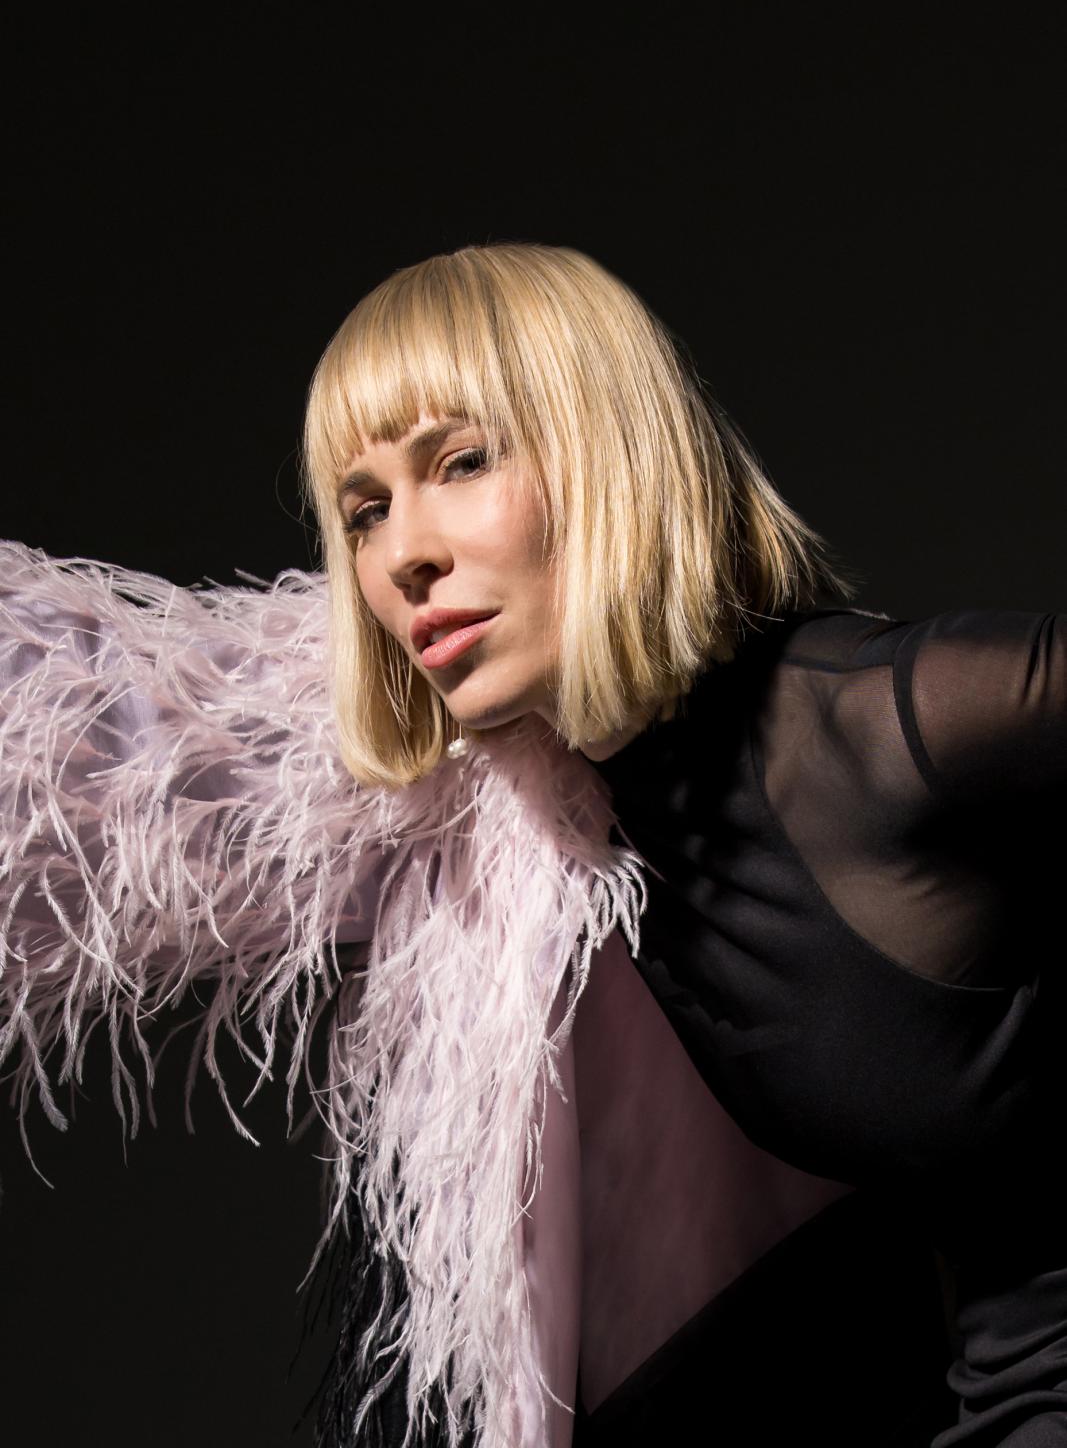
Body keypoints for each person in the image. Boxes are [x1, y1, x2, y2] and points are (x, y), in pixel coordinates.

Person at [0, 242, 1063, 1448]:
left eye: (459, 461)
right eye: (364, 508)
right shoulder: (553, 813)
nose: (403, 549)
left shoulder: (892, 720)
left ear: (607, 453)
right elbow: (99, 734)